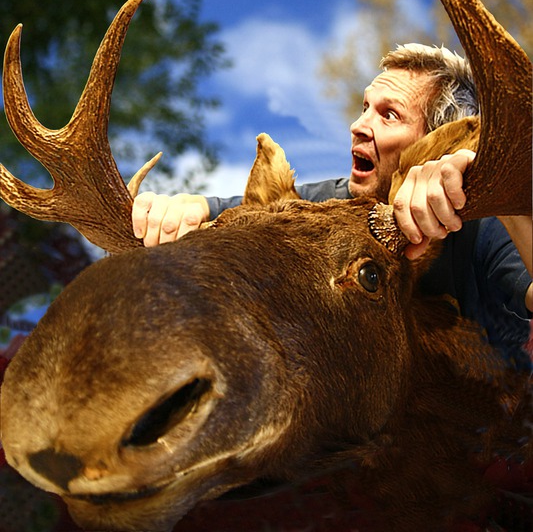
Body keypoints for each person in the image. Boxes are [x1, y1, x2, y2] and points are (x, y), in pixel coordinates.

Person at [132, 44, 532, 364]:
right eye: (365, 109)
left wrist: (515, 200)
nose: (359, 126)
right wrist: (187, 208)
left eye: (389, 115)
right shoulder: (338, 208)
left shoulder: (489, 223)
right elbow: (248, 212)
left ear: (439, 141)